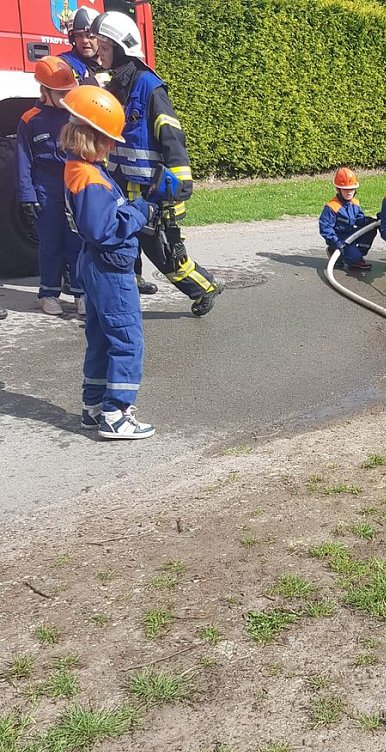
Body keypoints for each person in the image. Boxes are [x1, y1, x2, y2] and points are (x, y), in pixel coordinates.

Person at [90, 10, 224, 314]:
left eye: (106, 47)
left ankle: (205, 287)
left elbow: (171, 136)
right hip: (122, 184)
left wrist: (178, 185)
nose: (100, 53)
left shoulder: (150, 87)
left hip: (154, 189)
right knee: (122, 241)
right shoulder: (114, 87)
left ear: (123, 48)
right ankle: (129, 291)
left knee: (164, 253)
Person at [60, 85, 158, 439]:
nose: (114, 145)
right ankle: (116, 414)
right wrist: (139, 210)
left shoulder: (80, 168)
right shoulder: (89, 178)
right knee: (127, 340)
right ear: (93, 137)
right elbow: (105, 229)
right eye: (109, 139)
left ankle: (94, 407)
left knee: (102, 338)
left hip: (95, 265)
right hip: (109, 269)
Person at [16, 56, 85, 317]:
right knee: (51, 244)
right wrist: (27, 195)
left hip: (74, 187)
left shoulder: (75, 114)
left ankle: (81, 293)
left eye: (69, 91)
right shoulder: (30, 120)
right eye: (60, 93)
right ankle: (48, 294)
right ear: (44, 91)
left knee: (77, 242)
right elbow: (23, 162)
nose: (66, 97)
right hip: (46, 190)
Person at [319, 168, 374, 271]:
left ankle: (357, 256)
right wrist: (336, 242)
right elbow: (325, 228)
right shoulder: (332, 207)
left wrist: (370, 222)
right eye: (345, 189)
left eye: (352, 189)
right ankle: (337, 252)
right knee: (349, 255)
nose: (349, 192)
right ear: (338, 189)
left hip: (351, 234)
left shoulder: (355, 203)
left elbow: (359, 220)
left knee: (371, 229)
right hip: (338, 238)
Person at [59, 6, 103, 86]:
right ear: (73, 39)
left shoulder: (111, 63)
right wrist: (85, 87)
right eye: (79, 35)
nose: (84, 41)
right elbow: (55, 95)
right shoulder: (63, 63)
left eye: (90, 36)